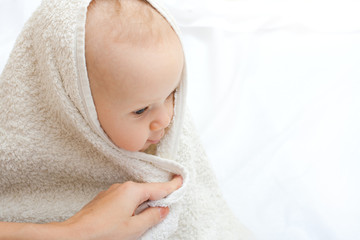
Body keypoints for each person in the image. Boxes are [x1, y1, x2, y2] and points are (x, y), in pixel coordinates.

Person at [0, 0, 253, 239]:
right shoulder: (24, 163)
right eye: (141, 111)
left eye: (171, 94)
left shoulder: (169, 134)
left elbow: (206, 219)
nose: (164, 119)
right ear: (75, 110)